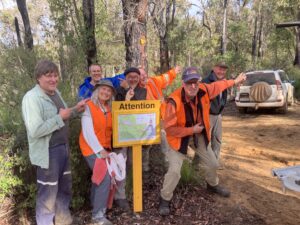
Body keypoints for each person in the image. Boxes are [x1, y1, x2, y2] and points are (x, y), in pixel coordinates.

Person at [158, 67, 246, 216]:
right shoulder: (173, 101)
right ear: (183, 83)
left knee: (213, 163)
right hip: (178, 138)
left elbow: (219, 85)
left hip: (197, 135)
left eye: (195, 82)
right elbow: (170, 129)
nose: (193, 86)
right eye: (189, 83)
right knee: (174, 171)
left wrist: (235, 81)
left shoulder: (204, 89)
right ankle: (164, 198)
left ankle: (212, 185)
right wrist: (191, 130)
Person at [22, 60, 86, 225]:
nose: (53, 79)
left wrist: (75, 110)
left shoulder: (55, 92)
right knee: (48, 194)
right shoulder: (32, 98)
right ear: (38, 78)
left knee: (63, 189)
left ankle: (63, 220)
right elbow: (35, 130)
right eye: (48, 75)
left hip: (63, 148)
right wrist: (60, 118)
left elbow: (63, 114)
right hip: (48, 153)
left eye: (55, 75)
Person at [79, 80, 116, 225]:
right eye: (103, 89)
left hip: (104, 149)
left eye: (109, 91)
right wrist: (100, 151)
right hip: (91, 149)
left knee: (98, 177)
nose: (106, 92)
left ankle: (94, 204)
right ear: (97, 90)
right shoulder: (89, 106)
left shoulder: (108, 108)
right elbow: (88, 133)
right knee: (104, 178)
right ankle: (98, 216)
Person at [138, 66, 181, 172]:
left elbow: (164, 77)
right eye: (140, 75)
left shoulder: (153, 82)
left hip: (160, 120)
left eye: (144, 74)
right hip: (145, 122)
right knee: (145, 147)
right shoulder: (134, 88)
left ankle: (169, 168)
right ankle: (144, 169)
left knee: (165, 145)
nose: (143, 77)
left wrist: (174, 72)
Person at [202, 62, 228, 162]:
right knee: (204, 141)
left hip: (218, 115)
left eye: (224, 69)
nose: (221, 72)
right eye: (219, 69)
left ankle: (214, 163)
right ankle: (198, 166)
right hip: (207, 115)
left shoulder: (224, 82)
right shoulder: (206, 81)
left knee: (217, 140)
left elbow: (222, 98)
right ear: (214, 68)